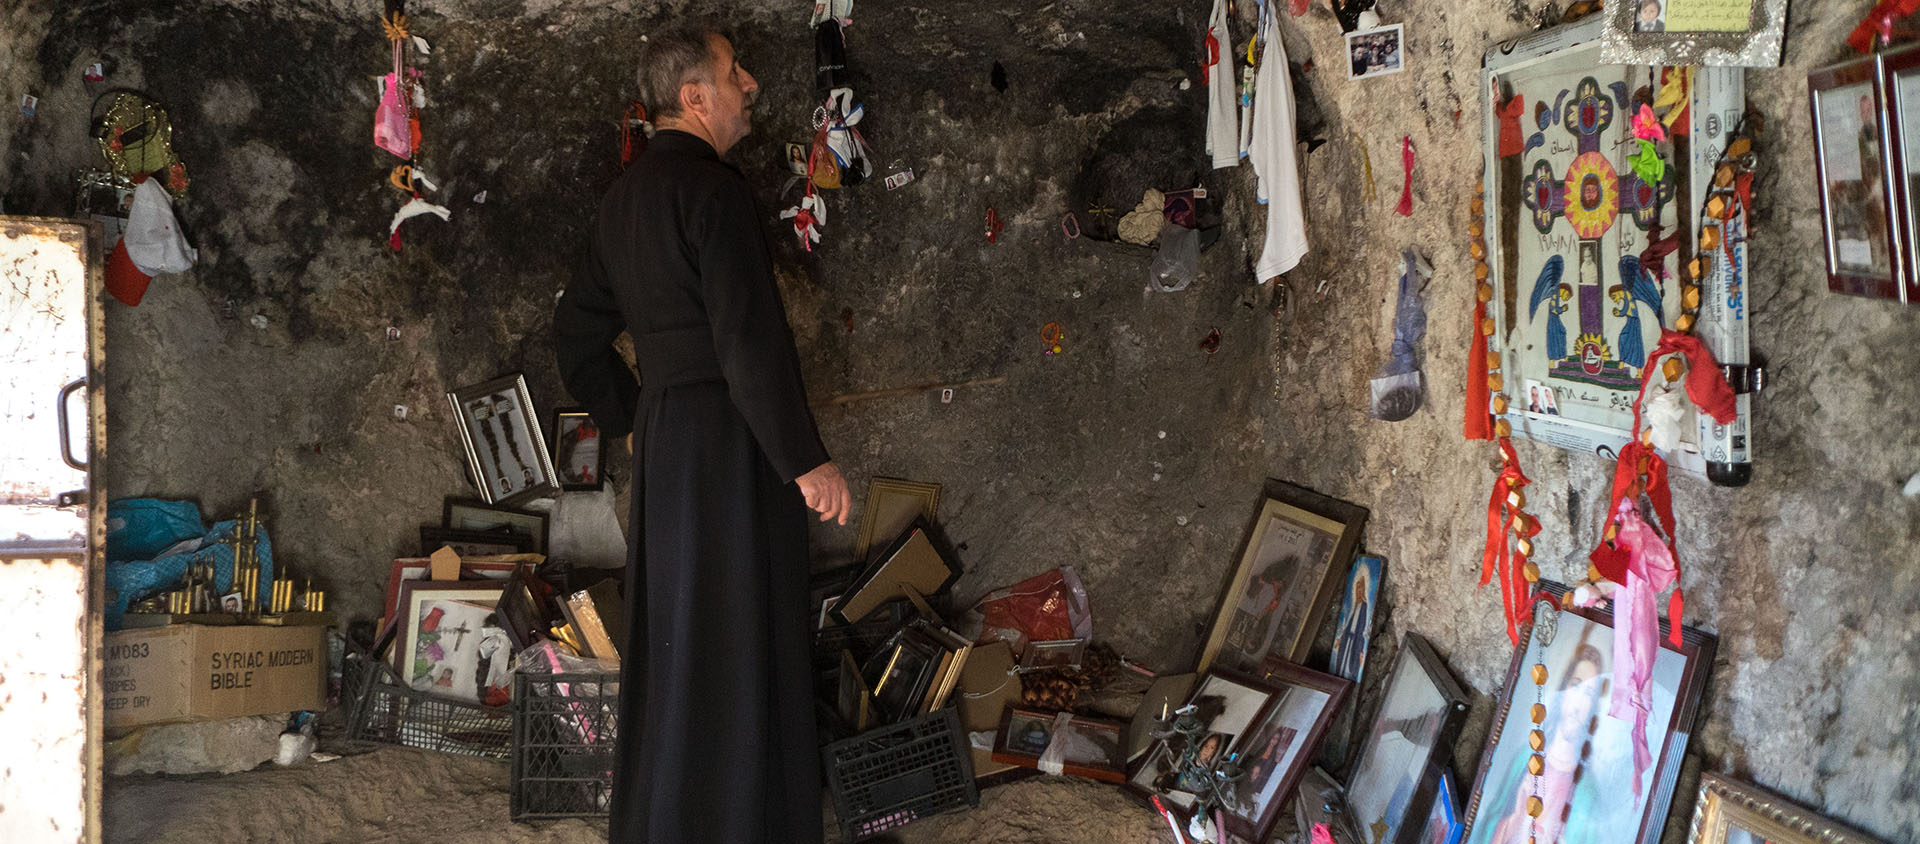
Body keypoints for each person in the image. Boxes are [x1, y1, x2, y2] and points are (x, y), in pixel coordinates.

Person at [551, 22, 851, 844]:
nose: (749, 83)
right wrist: (808, 461)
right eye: (733, 72)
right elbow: (748, 341)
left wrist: (632, 418)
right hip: (730, 440)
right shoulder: (715, 192)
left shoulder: (622, 202)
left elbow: (574, 334)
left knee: (679, 635)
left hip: (669, 437)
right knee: (742, 624)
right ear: (694, 97)